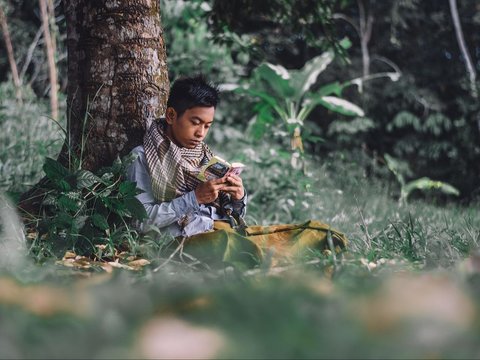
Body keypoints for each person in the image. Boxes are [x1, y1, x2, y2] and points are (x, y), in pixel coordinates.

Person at [127, 75, 347, 269]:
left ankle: (284, 250)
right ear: (171, 115)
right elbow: (140, 222)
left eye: (207, 125)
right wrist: (193, 198)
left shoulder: (204, 157)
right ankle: (275, 256)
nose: (201, 133)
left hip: (222, 229)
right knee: (230, 246)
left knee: (317, 232)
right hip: (185, 241)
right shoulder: (144, 157)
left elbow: (234, 216)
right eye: (195, 123)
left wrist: (238, 198)